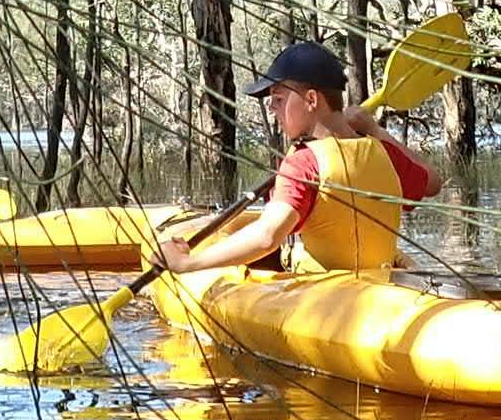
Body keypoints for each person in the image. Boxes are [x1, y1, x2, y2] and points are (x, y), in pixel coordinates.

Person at [154, 39, 438, 278]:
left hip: (326, 299)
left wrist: (186, 263)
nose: (273, 109)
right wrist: (375, 130)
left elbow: (267, 237)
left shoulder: (304, 162)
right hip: (381, 287)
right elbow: (433, 183)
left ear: (312, 99)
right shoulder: (384, 152)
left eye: (278, 99)